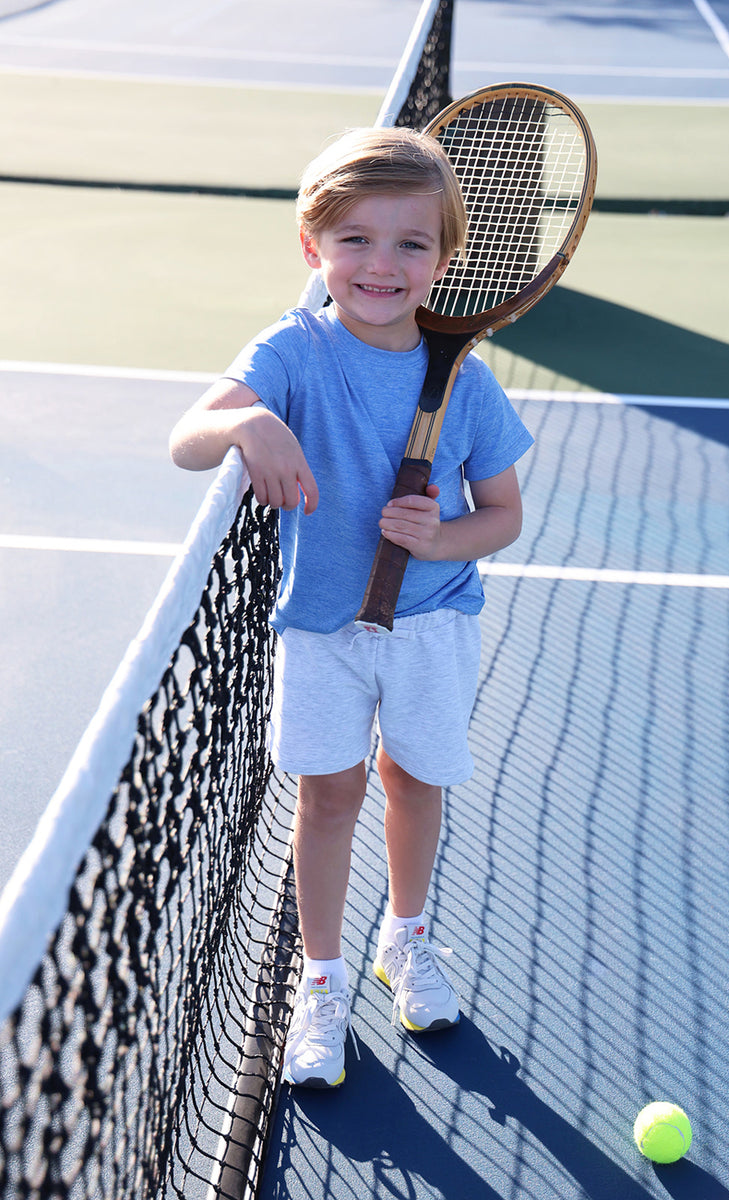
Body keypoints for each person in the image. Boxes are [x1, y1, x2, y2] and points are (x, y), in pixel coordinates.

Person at [169, 126, 534, 1089]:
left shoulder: (466, 380)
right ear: (312, 247)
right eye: (355, 239)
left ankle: (405, 937)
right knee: (329, 796)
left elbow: (502, 515)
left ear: (444, 260)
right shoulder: (291, 349)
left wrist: (440, 539)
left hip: (432, 626)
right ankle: (321, 979)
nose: (382, 264)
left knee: (414, 780)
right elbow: (187, 439)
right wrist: (249, 419)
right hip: (321, 629)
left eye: (411, 243)